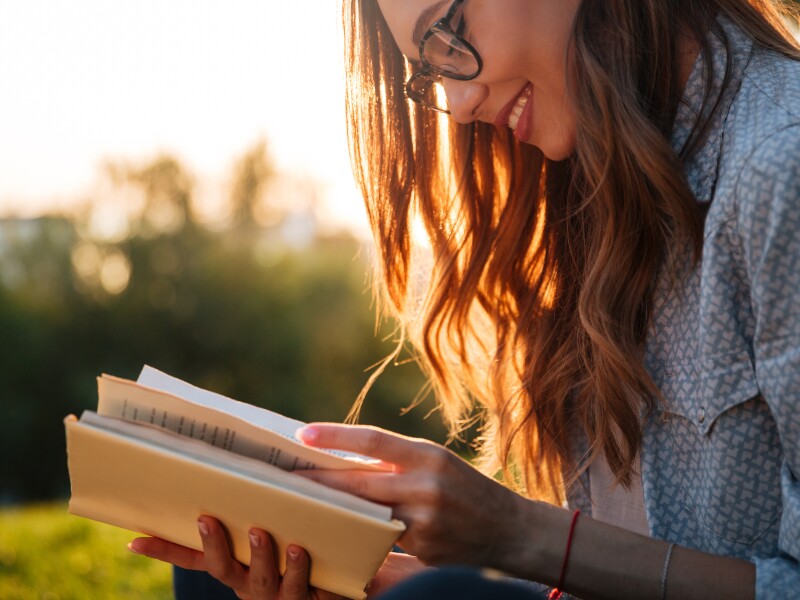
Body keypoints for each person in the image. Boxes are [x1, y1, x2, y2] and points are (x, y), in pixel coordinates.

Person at [128, 0, 800, 598]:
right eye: (429, 72)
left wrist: (518, 534)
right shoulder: (596, 188)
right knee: (225, 563)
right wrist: (384, 580)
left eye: (448, 33)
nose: (456, 103)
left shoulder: (779, 168)